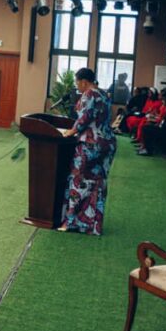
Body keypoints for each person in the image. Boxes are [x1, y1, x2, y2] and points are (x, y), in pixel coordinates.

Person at [58, 68, 116, 235]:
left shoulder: (89, 94)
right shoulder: (104, 94)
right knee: (98, 183)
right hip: (107, 144)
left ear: (84, 81)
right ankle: (93, 225)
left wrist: (70, 132)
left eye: (77, 82)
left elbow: (84, 118)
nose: (77, 86)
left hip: (90, 145)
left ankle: (71, 223)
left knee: (77, 180)